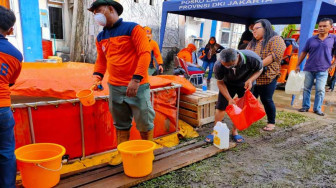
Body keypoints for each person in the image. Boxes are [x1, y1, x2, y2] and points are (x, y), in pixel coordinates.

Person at [88, 0, 155, 166]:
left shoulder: (133, 28)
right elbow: (101, 60)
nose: (95, 15)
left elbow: (145, 54)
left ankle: (147, 151)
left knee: (144, 121)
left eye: (98, 10)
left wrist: (136, 79)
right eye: (93, 12)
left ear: (111, 8)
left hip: (137, 86)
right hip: (115, 87)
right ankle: (121, 152)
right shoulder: (101, 37)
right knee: (121, 123)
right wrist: (97, 77)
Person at [204, 48, 263, 143]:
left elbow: (260, 70)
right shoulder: (218, 65)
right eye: (226, 66)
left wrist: (251, 80)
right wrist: (229, 99)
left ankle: (235, 131)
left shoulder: (252, 58)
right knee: (221, 106)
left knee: (240, 107)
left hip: (246, 83)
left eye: (231, 65)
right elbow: (220, 83)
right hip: (227, 84)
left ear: (238, 56)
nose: (229, 68)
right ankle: (215, 131)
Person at [246, 19, 286, 131]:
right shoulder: (252, 42)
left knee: (266, 99)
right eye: (252, 30)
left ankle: (271, 122)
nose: (253, 31)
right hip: (253, 76)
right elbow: (246, 55)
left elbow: (273, 56)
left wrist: (257, 66)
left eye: (256, 29)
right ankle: (249, 118)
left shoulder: (276, 39)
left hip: (268, 76)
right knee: (251, 98)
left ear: (265, 28)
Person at [0, 6, 23, 188]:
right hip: (2, 108)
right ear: (10, 30)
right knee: (6, 151)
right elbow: (10, 82)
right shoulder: (15, 55)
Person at [296, 18, 336, 116]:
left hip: (323, 69)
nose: (321, 28)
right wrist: (297, 65)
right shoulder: (311, 39)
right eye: (320, 26)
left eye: (324, 26)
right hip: (309, 68)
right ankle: (305, 106)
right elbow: (304, 52)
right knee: (306, 88)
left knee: (320, 89)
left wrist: (333, 65)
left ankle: (317, 109)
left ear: (330, 27)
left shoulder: (334, 39)